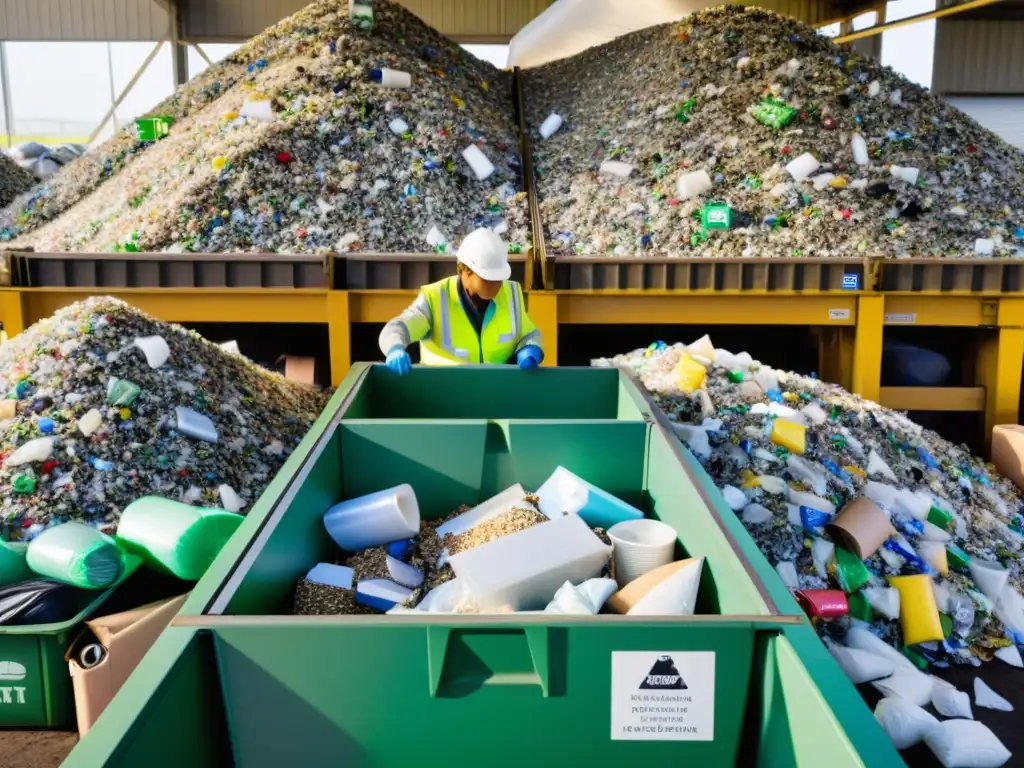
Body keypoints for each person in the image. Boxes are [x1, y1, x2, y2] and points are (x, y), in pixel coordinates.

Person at [378, 228, 544, 374]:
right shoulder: (435, 297)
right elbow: (399, 327)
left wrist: (530, 348)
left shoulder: (511, 293)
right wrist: (394, 348)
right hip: (445, 393)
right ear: (464, 270)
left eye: (499, 279)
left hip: (493, 390)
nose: (496, 285)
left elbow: (528, 332)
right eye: (488, 278)